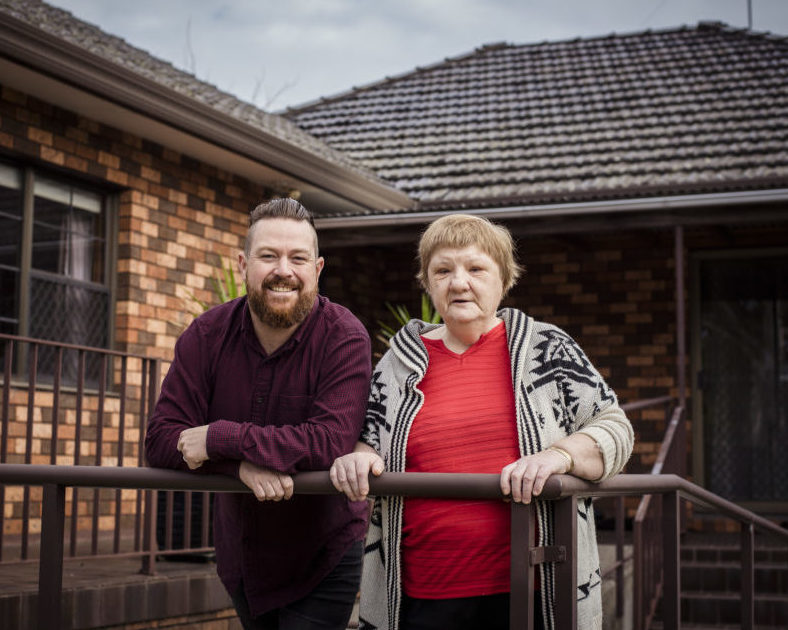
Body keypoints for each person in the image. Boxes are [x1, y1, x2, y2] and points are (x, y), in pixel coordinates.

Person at [330, 214, 634, 630]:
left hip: (533, 591)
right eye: (443, 270)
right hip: (421, 595)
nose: (458, 282)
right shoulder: (398, 363)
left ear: (504, 278)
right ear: (428, 282)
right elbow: (369, 440)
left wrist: (559, 456)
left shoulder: (547, 348)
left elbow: (615, 427)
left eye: (475, 268)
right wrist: (359, 458)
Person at [145, 198, 372, 630]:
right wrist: (239, 465)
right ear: (243, 264)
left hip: (322, 555)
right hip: (242, 557)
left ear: (318, 269)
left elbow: (327, 444)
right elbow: (160, 440)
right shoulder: (206, 335)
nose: (283, 270)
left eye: (298, 258)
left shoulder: (344, 337)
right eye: (269, 256)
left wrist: (218, 438)